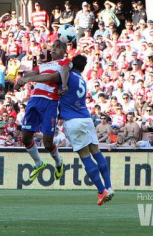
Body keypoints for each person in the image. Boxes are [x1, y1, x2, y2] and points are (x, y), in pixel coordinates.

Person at [18, 55, 113, 205]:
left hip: (73, 120)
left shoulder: (67, 76)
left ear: (70, 66)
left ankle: (102, 191)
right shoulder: (82, 80)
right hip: (86, 118)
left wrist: (28, 79)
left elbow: (51, 77)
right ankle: (109, 186)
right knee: (97, 152)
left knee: (85, 156)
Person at [16, 40, 70, 182]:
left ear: (64, 51)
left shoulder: (64, 62)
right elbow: (30, 74)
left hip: (50, 102)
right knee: (25, 138)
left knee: (47, 143)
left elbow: (53, 77)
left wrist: (64, 85)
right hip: (34, 100)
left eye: (58, 47)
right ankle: (39, 163)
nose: (53, 49)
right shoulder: (42, 65)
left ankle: (58, 162)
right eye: (53, 46)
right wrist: (20, 81)